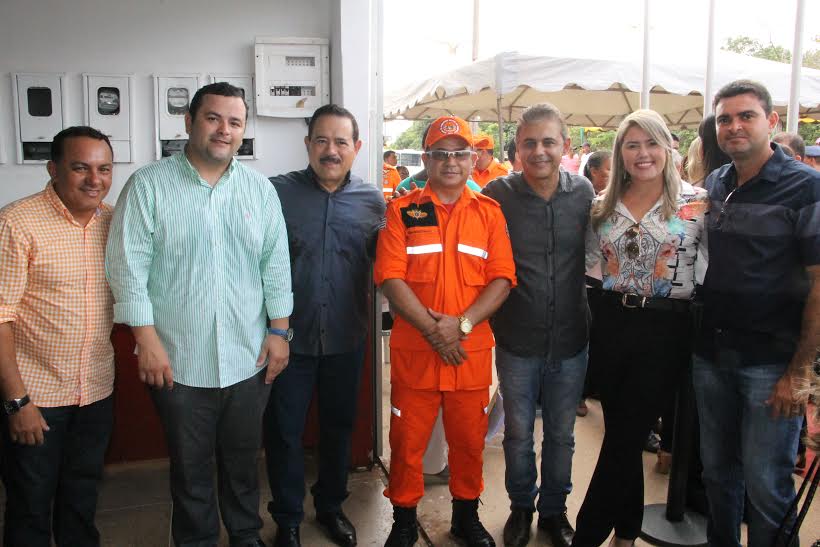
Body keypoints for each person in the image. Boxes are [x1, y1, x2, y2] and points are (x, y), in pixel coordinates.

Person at [106, 82, 293, 547]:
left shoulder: (259, 190)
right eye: (213, 118)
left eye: (234, 122)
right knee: (190, 471)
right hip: (177, 362)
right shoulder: (148, 185)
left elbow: (276, 265)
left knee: (243, 462)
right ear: (189, 122)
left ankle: (245, 535)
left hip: (247, 358)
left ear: (243, 130)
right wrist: (146, 342)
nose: (223, 130)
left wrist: (279, 332)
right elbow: (128, 268)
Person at [375, 115, 516, 547]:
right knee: (406, 442)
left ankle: (465, 518)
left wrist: (463, 325)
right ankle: (403, 520)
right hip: (416, 352)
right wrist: (437, 331)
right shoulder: (404, 209)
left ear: (474, 159)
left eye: (460, 153)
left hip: (469, 353)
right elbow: (390, 277)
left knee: (469, 442)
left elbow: (503, 278)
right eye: (441, 153)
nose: (451, 162)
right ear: (428, 159)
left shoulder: (490, 214)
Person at [692, 80, 820, 547]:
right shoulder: (714, 184)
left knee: (767, 487)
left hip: (771, 363)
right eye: (725, 118)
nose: (734, 125)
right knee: (718, 477)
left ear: (773, 122)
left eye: (746, 115)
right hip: (711, 355)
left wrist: (801, 371)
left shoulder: (806, 187)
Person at [573, 109, 708, 547]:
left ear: (669, 148)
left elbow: (711, 274)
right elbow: (592, 270)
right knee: (621, 435)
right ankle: (627, 532)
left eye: (651, 143)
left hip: (665, 330)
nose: (642, 153)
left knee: (624, 438)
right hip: (610, 323)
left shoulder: (698, 204)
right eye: (632, 145)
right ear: (620, 152)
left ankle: (587, 536)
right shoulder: (602, 205)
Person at [264, 104, 385, 547]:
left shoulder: (373, 201)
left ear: (356, 147)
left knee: (338, 429)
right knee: (284, 432)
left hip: (346, 338)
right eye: (321, 140)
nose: (330, 151)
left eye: (340, 142)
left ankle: (331, 508)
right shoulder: (275, 193)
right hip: (286, 341)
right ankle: (289, 518)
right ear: (307, 145)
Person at [482, 103, 595, 547]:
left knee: (563, 437)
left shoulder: (585, 193)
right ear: (516, 150)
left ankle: (553, 512)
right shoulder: (497, 194)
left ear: (565, 146)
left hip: (571, 339)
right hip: (516, 339)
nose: (539, 151)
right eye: (529, 142)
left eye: (548, 141)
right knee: (517, 435)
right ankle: (520, 509)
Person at [0, 126, 115, 547]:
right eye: (80, 167)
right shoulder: (17, 222)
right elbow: (0, 317)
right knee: (30, 504)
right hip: (38, 397)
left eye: (104, 168)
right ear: (53, 168)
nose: (94, 179)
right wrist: (17, 402)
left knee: (82, 497)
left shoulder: (114, 221)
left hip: (96, 391)